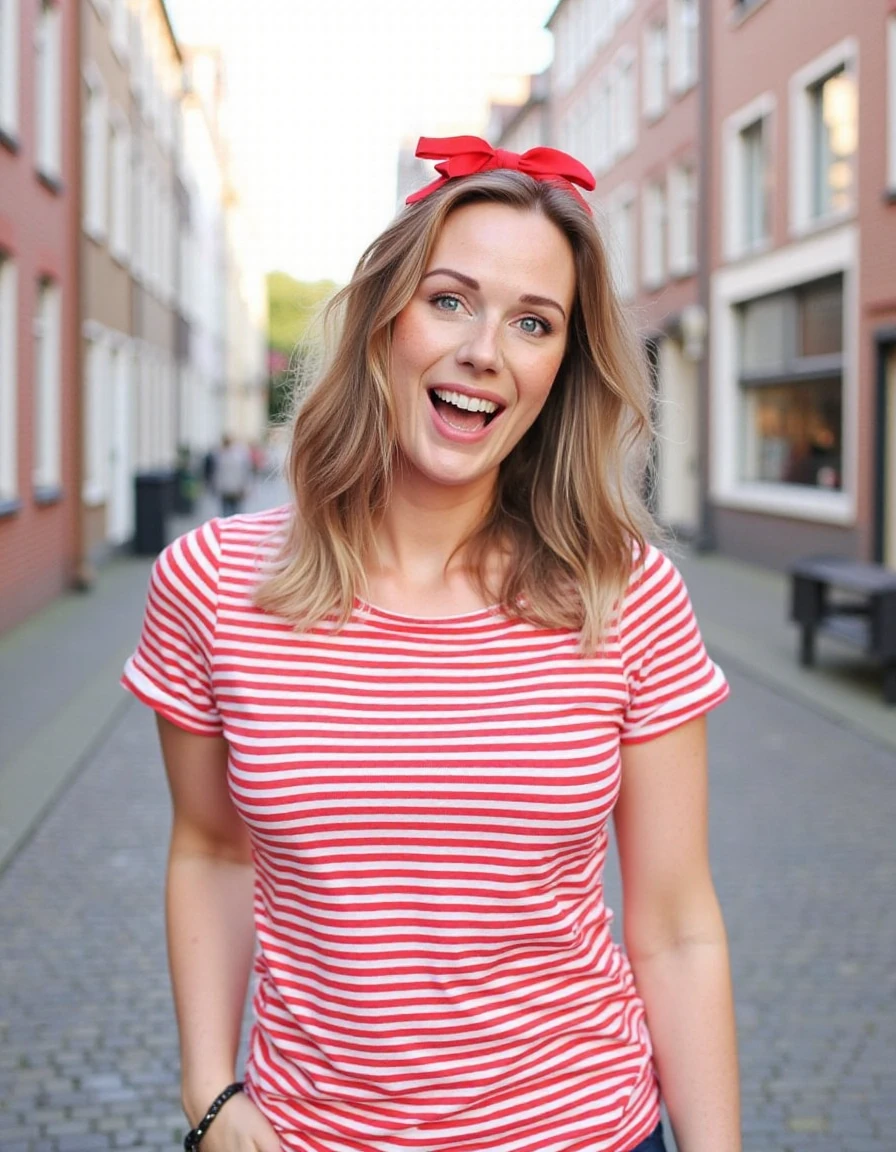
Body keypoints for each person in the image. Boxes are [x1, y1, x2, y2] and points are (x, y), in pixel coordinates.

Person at [122, 135, 740, 1152]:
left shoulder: (624, 596)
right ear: (382, 322)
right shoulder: (210, 587)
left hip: (586, 1130)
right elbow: (210, 846)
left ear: (560, 369)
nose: (482, 350)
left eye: (532, 322)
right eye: (449, 300)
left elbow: (674, 922)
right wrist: (209, 1093)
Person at [213, 433, 253, 517]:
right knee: (232, 512)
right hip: (231, 488)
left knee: (231, 512)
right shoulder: (220, 455)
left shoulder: (221, 455)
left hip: (231, 489)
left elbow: (244, 472)